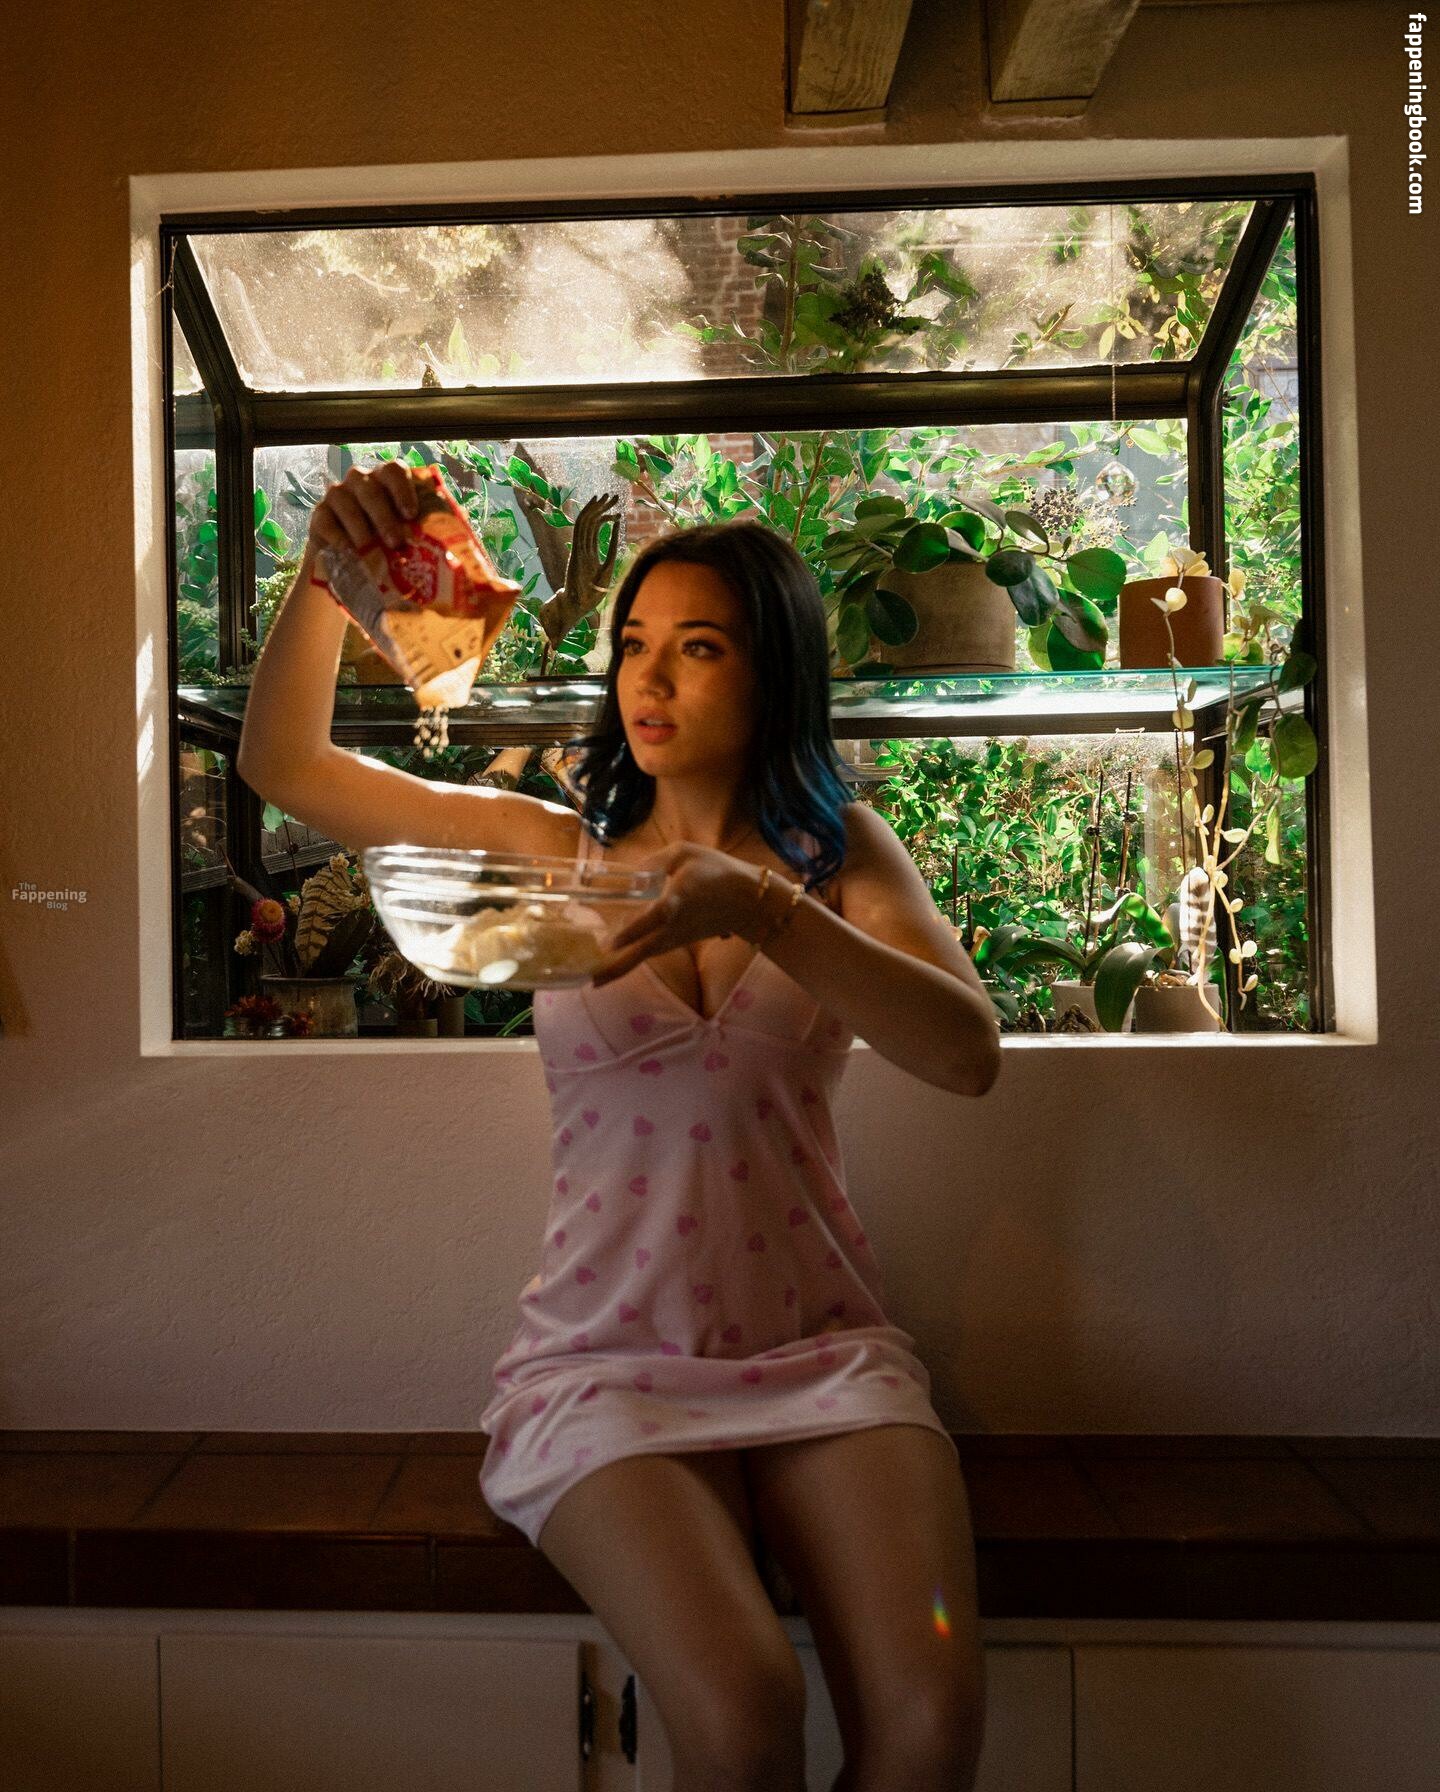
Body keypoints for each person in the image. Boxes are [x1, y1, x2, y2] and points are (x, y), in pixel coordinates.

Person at [239, 460, 1002, 1792]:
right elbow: (284, 764)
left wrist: (763, 910)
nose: (648, 679)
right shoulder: (557, 852)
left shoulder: (843, 859)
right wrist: (327, 572)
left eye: (698, 648)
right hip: (605, 1372)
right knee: (744, 1714)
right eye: (635, 645)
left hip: (823, 1356)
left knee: (930, 1731)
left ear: (773, 674)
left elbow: (966, 1054)